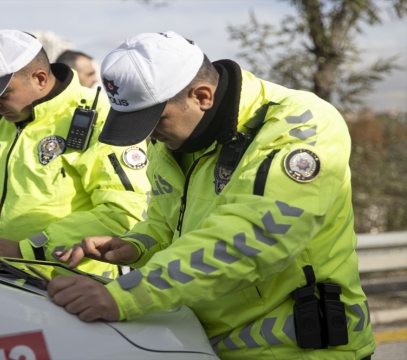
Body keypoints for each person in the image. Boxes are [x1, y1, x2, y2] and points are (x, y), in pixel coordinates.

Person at [48, 31, 375, 359]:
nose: (148, 135)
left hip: (305, 350)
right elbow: (168, 226)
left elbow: (254, 236)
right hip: (202, 345)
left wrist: (126, 296)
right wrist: (135, 246)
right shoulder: (177, 142)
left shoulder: (298, 124)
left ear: (203, 96)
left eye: (153, 119)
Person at [0, 29, 150, 278]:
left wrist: (29, 249)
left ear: (40, 79)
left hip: (73, 284)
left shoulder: (100, 119)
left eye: (2, 94)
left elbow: (123, 211)